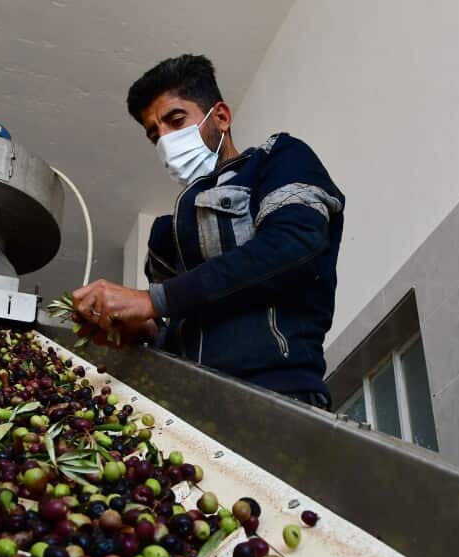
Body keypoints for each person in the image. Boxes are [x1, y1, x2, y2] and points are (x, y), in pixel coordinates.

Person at [71, 54, 344, 409]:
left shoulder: (278, 159)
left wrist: (152, 300)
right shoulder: (165, 235)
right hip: (184, 407)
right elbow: (180, 317)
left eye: (176, 120)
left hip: (274, 394)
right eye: (155, 134)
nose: (166, 141)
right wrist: (144, 329)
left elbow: (291, 246)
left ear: (221, 117)